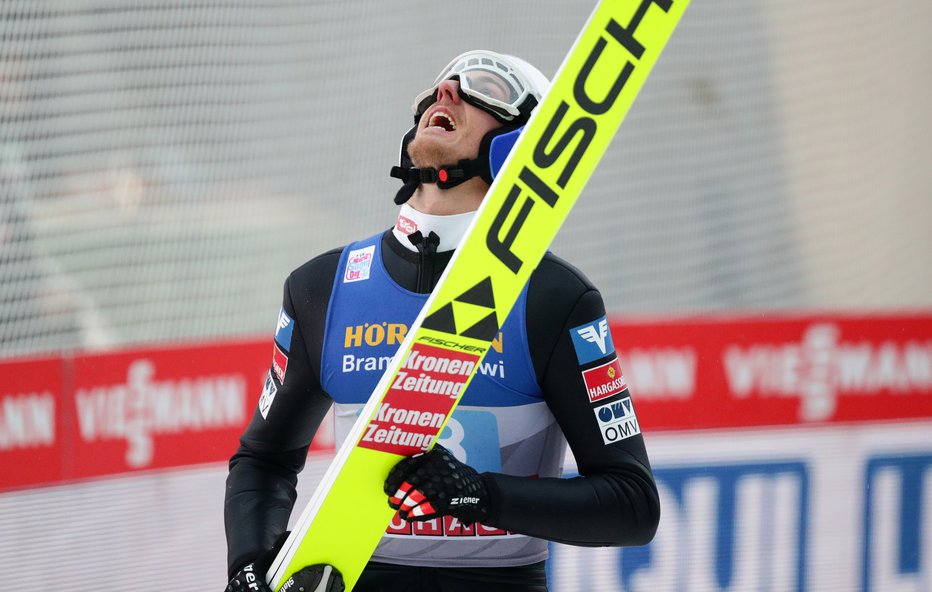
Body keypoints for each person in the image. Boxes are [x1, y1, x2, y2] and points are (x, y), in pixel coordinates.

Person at [224, 50, 660, 592]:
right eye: (438, 88)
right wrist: (249, 564)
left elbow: (632, 504)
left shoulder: (553, 298)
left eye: (485, 88)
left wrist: (480, 494)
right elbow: (263, 460)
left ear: (522, 143)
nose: (445, 92)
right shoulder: (322, 288)